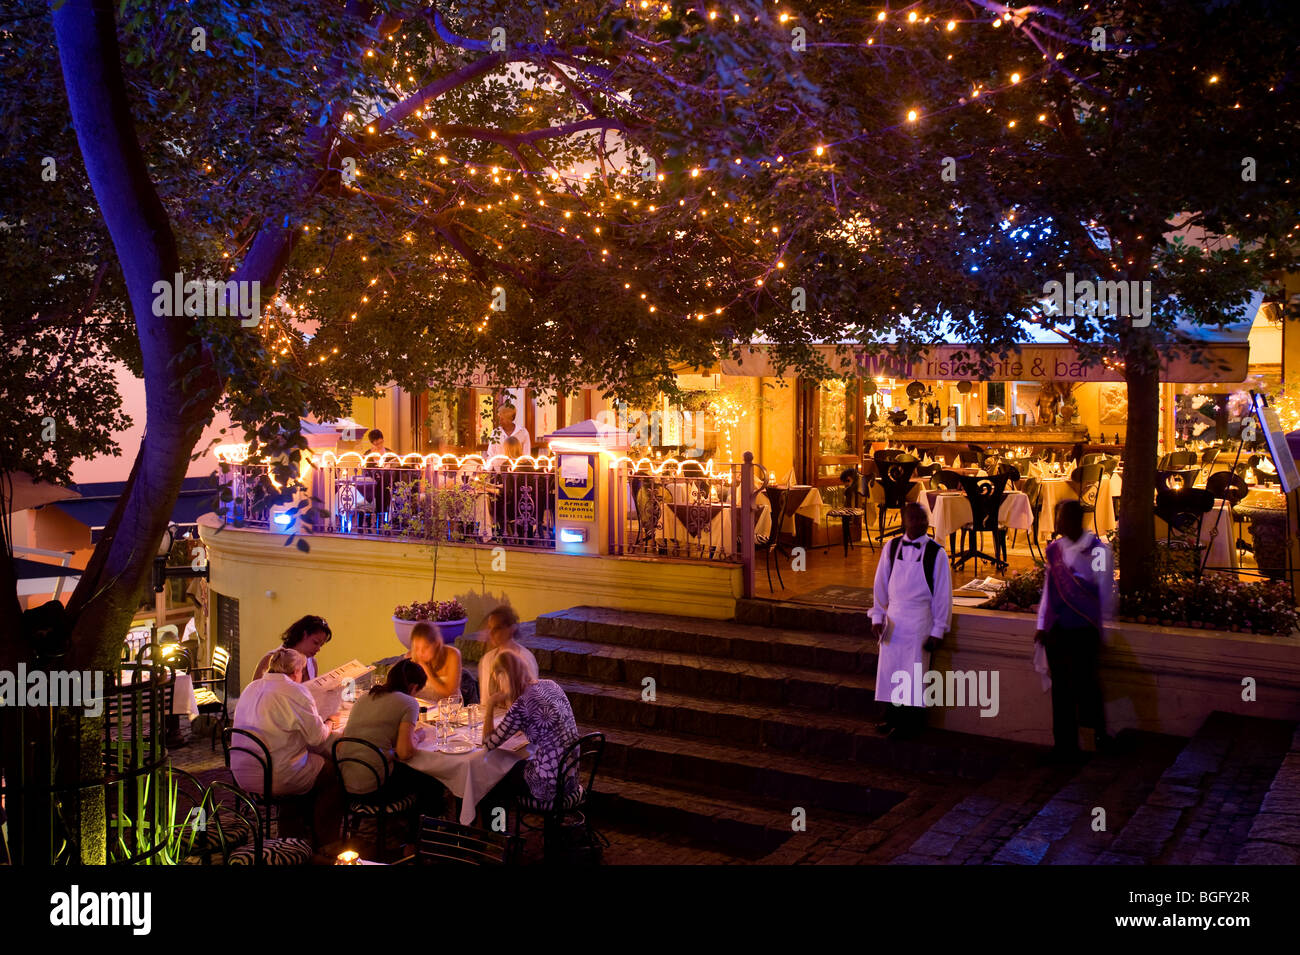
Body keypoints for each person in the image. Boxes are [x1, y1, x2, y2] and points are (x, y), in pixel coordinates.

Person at [231, 647, 341, 843]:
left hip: (242, 771)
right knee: (332, 771)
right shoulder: (295, 691)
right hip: (275, 775)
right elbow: (317, 738)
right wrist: (330, 721)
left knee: (301, 763)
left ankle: (293, 833)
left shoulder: (251, 687)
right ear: (296, 671)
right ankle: (325, 841)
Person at [1035, 500, 1117, 760]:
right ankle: (1064, 746)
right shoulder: (1054, 549)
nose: (1058, 525)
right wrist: (1041, 625)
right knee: (1060, 690)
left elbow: (1105, 593)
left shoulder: (1098, 552)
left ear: (1075, 520)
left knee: (1087, 686)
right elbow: (1048, 589)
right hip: (1058, 629)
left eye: (1062, 519)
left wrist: (1103, 630)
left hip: (1084, 629)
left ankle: (1096, 740)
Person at [869, 502, 952, 740]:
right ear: (905, 522)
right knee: (891, 671)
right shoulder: (892, 546)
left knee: (914, 673)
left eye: (923, 519)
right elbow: (880, 584)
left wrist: (938, 630)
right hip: (894, 618)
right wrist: (877, 615)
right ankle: (891, 717)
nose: (920, 523)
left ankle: (911, 724)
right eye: (914, 519)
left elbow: (942, 594)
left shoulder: (937, 553)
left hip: (919, 620)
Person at [481, 650, 580, 809]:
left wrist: (491, 704)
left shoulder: (521, 705)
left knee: (492, 779)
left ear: (503, 677)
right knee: (512, 766)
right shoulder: (551, 685)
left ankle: (497, 830)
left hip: (547, 788)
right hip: (570, 779)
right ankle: (497, 829)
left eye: (497, 679)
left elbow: (488, 744)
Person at [477, 605, 539, 703]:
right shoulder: (487, 659)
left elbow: (531, 701)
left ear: (511, 629)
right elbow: (485, 701)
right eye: (489, 628)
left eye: (497, 628)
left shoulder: (524, 659)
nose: (491, 633)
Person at [252, 615, 331, 683]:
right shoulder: (270, 659)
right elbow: (254, 695)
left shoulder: (312, 663)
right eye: (315, 642)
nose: (318, 649)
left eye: (321, 645)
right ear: (304, 635)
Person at [407, 622, 462, 701]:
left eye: (425, 647)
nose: (420, 653)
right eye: (416, 648)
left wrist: (427, 671)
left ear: (436, 643)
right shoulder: (411, 658)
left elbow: (450, 694)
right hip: (423, 707)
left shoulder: (452, 655)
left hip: (448, 707)